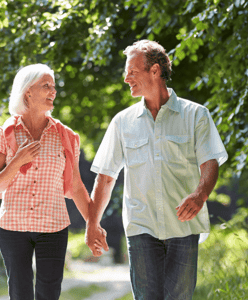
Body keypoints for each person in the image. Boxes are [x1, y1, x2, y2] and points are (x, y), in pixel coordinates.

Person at [85, 40, 228, 299]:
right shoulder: (122, 122)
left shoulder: (196, 115)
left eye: (132, 71)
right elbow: (105, 177)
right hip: (142, 227)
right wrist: (92, 223)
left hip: (184, 228)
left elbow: (210, 163)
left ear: (155, 71)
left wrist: (200, 195)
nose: (126, 78)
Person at [0, 64, 99, 300]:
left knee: (49, 293)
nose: (53, 91)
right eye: (46, 86)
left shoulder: (65, 136)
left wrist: (93, 223)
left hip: (53, 227)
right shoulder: (5, 134)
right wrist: (16, 162)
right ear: (27, 91)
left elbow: (76, 186)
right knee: (20, 293)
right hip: (13, 227)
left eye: (54, 87)